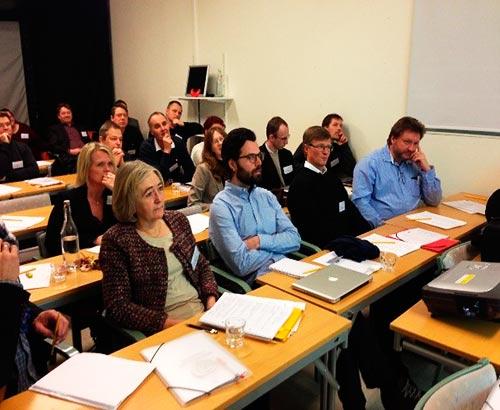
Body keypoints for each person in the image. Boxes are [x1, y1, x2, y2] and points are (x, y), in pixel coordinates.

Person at [100, 161, 218, 334]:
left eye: (160, 188)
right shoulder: (117, 240)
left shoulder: (178, 221)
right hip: (164, 329)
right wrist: (173, 325)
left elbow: (201, 266)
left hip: (204, 316)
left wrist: (211, 302)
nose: (159, 198)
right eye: (149, 194)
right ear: (130, 201)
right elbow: (119, 306)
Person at [209, 127, 301, 284]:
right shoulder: (222, 207)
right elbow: (241, 264)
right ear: (232, 164)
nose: (258, 162)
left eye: (259, 156)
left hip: (289, 271)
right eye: (251, 157)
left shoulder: (266, 196)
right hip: (260, 284)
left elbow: (294, 239)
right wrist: (276, 247)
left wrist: (258, 241)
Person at [0, 223, 69, 399]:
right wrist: (7, 288)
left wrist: (32, 317)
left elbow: (12, 308)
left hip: (31, 390)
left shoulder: (4, 238)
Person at [288, 126, 370, 248]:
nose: (326, 152)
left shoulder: (332, 178)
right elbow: (314, 231)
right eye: (321, 147)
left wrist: (369, 233)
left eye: (328, 147)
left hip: (346, 241)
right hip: (326, 249)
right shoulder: (299, 185)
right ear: (306, 149)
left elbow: (350, 211)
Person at [352, 116, 442, 227]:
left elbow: (434, 201)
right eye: (407, 142)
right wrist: (383, 227)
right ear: (393, 139)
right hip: (387, 227)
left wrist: (426, 169)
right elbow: (361, 203)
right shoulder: (369, 164)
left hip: (416, 224)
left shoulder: (415, 162)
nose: (412, 149)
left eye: (416, 143)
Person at [45, 143, 117, 256]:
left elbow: (135, 225)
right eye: (100, 165)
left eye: (110, 164)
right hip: (80, 263)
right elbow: (52, 244)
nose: (107, 169)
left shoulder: (114, 196)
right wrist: (93, 241)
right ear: (86, 168)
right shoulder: (68, 200)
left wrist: (119, 192)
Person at [293, 113, 356, 182]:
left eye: (341, 126)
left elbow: (352, 170)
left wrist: (344, 146)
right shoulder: (311, 145)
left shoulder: (337, 148)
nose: (339, 128)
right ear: (325, 128)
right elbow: (294, 164)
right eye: (335, 125)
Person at [139, 111, 195, 183]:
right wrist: (166, 151)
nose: (163, 128)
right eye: (157, 126)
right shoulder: (146, 147)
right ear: (152, 132)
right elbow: (159, 178)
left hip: (178, 188)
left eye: (164, 124)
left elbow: (190, 170)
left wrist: (181, 185)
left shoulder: (178, 142)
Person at [188, 127, 226, 209]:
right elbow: (192, 203)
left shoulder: (233, 165)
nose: (220, 143)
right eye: (216, 141)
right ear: (210, 148)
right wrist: (215, 207)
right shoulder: (203, 169)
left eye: (222, 139)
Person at [258, 116, 295, 201]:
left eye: (287, 137)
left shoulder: (287, 154)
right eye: (283, 139)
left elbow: (293, 179)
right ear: (271, 137)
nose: (287, 142)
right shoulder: (258, 157)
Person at [47, 103, 88, 175]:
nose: (67, 115)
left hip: (85, 155)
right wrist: (69, 151)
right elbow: (53, 146)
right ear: (59, 116)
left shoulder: (80, 127)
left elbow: (88, 141)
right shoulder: (55, 129)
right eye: (63, 113)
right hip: (69, 158)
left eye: (68, 113)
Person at [0, 112, 39, 182]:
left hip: (23, 186)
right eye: (0, 125)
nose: (6, 128)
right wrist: (5, 145)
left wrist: (9, 176)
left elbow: (34, 170)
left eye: (8, 124)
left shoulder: (22, 147)